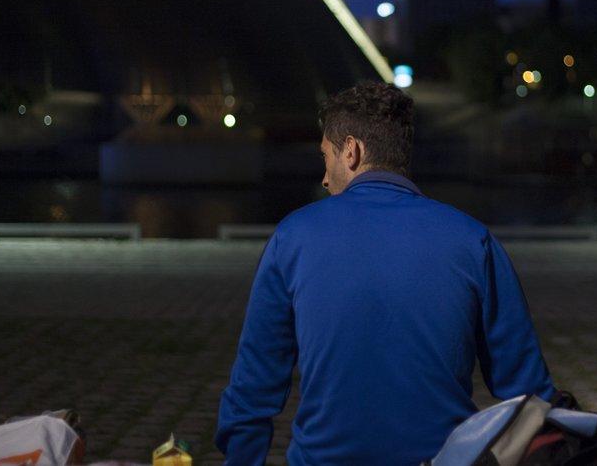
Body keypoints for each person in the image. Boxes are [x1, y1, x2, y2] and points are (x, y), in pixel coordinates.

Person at [215, 81, 560, 465]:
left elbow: (253, 389)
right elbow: (530, 394)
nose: (325, 178)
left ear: (351, 151)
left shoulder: (292, 238)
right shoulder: (472, 240)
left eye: (325, 157)